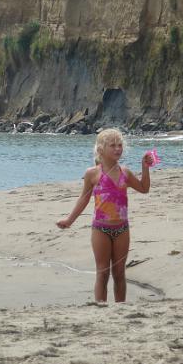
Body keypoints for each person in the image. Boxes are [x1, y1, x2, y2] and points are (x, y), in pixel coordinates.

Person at [56, 129, 151, 302]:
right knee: (102, 273)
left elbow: (144, 188)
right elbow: (83, 199)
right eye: (112, 145)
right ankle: (100, 309)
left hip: (122, 229)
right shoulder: (92, 173)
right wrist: (69, 220)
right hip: (100, 229)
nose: (117, 149)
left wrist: (145, 168)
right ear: (101, 149)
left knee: (119, 272)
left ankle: (120, 308)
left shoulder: (126, 172)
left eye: (120, 145)